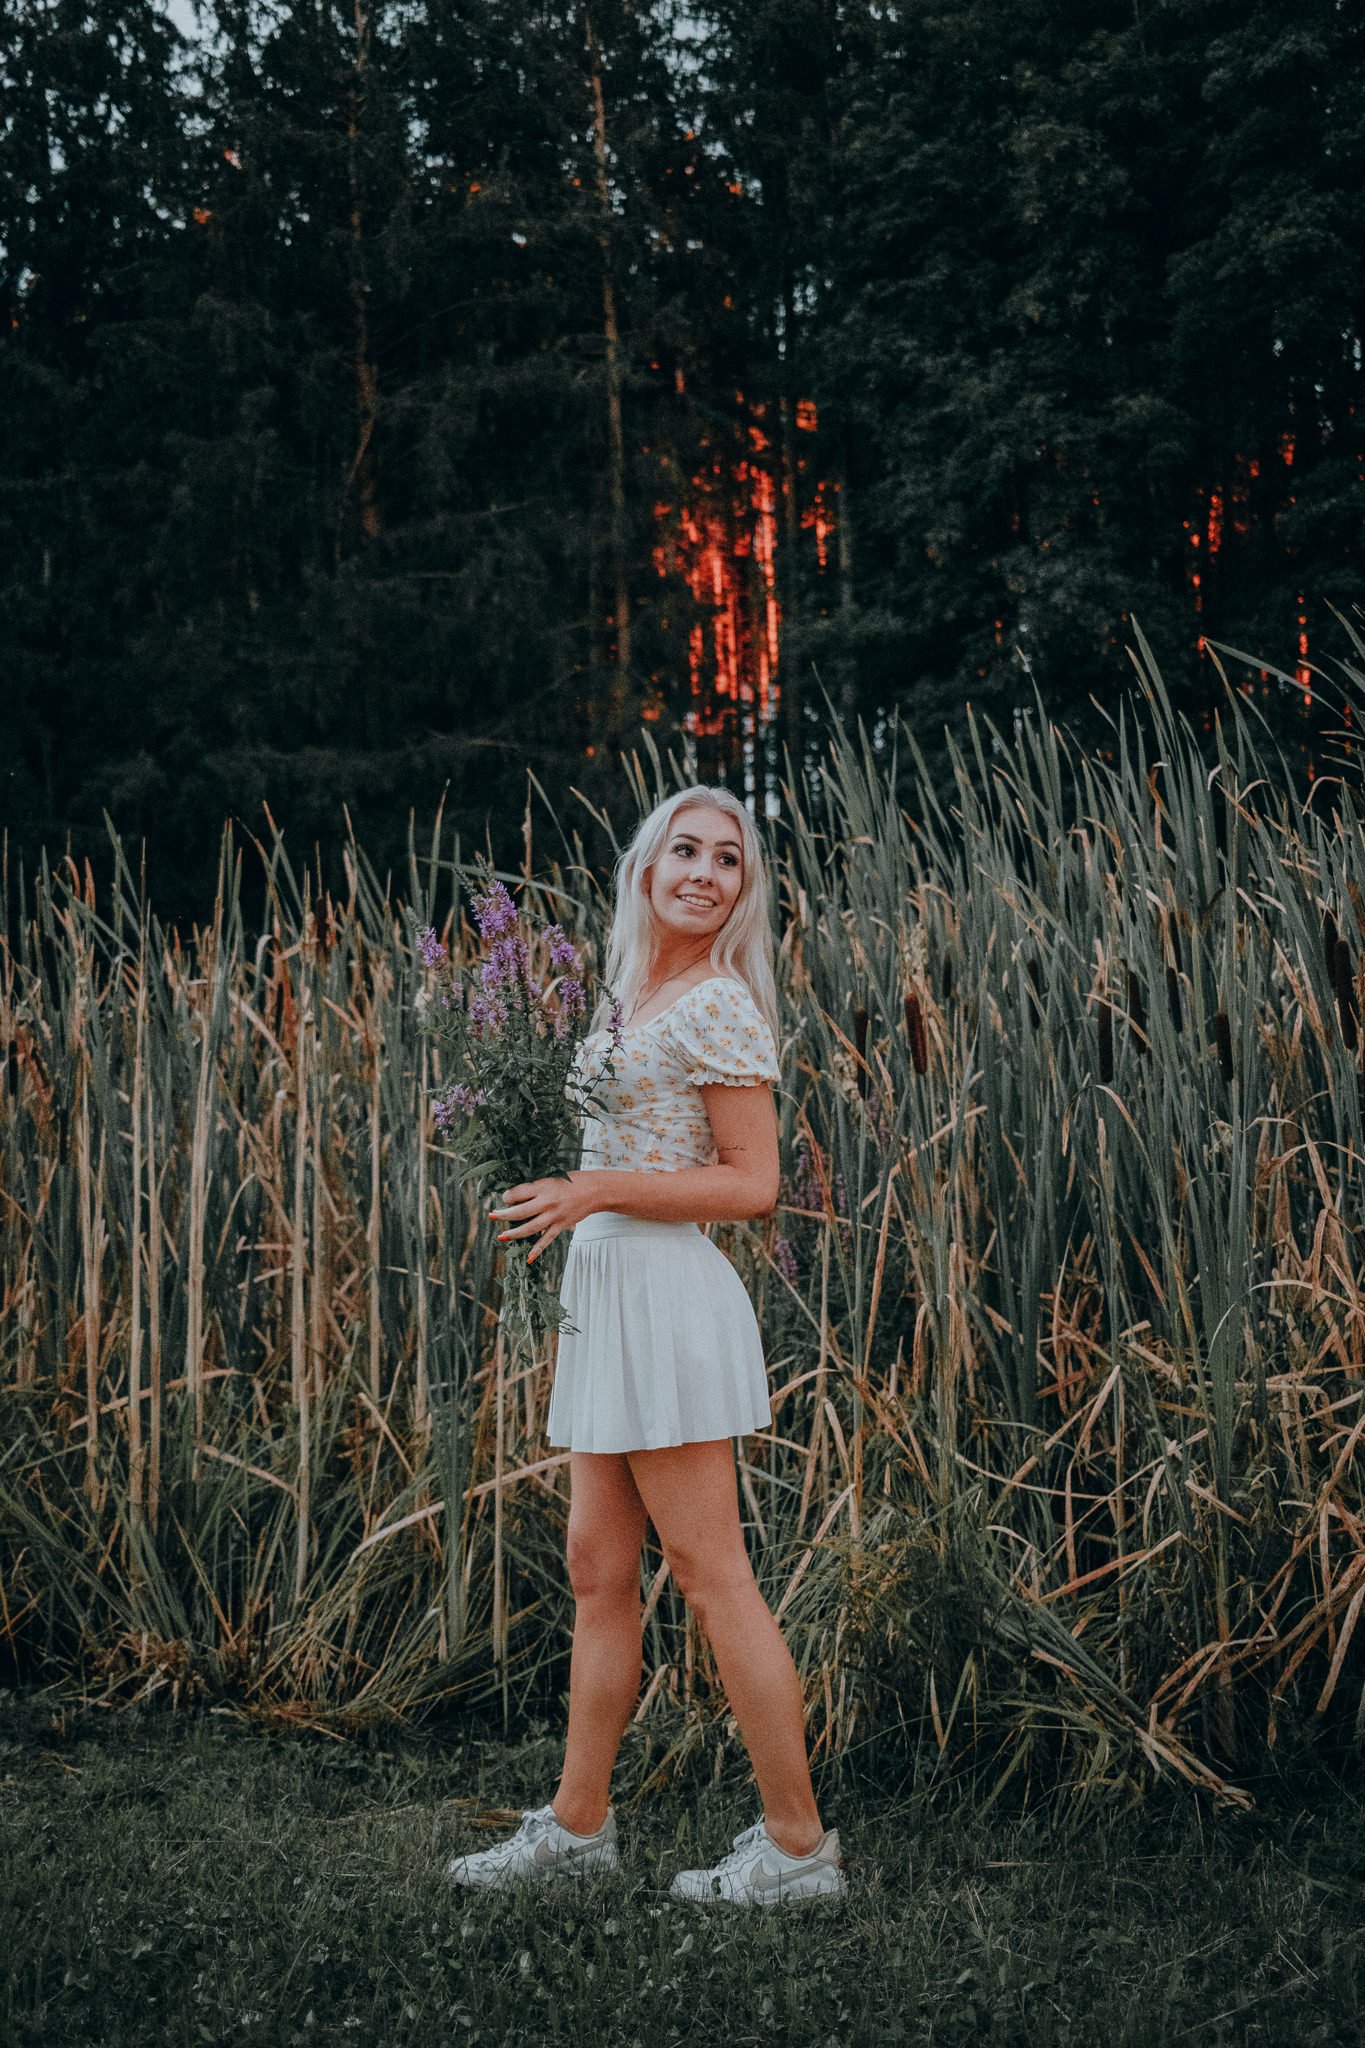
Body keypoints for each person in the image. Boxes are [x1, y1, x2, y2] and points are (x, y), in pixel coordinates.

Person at [446, 785, 847, 1909]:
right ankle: (579, 1828)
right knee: (595, 1567)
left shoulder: (719, 1002)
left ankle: (800, 1847)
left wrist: (592, 1189)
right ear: (644, 866)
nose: (706, 871)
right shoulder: (629, 989)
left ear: (743, 891)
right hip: (606, 1287)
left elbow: (755, 1182)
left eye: (730, 858)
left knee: (716, 1581)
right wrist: (548, 1190)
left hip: (666, 1295)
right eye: (687, 849)